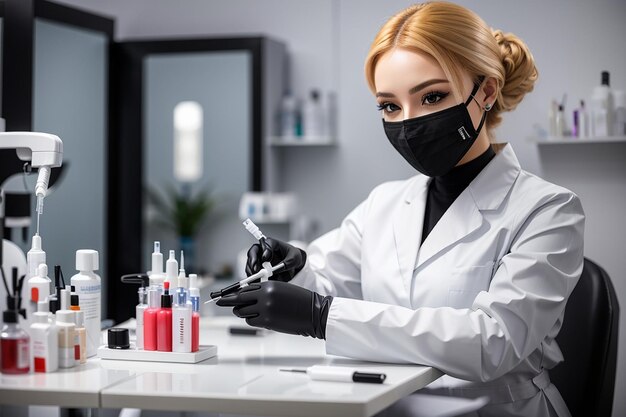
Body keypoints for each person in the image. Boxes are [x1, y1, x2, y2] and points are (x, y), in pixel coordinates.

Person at [217, 2, 585, 416]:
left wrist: (321, 317)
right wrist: (295, 265)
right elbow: (328, 279)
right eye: (390, 106)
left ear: (486, 91)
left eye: (432, 96)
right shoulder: (386, 203)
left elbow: (491, 343)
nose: (409, 124)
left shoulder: (549, 210)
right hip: (389, 405)